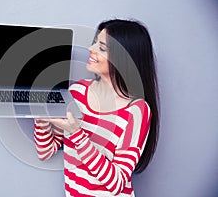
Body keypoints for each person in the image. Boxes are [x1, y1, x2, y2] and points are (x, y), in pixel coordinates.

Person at [34, 19, 159, 197]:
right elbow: (45, 151)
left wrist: (77, 133)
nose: (90, 49)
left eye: (101, 47)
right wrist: (39, 115)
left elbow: (116, 183)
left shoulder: (137, 110)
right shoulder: (76, 92)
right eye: (95, 43)